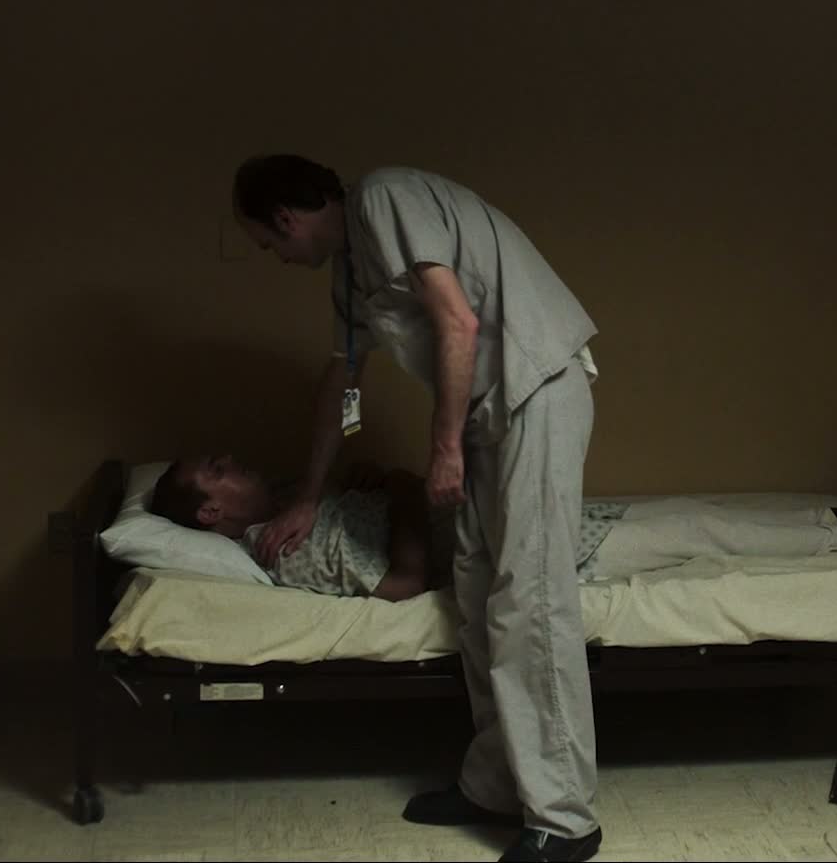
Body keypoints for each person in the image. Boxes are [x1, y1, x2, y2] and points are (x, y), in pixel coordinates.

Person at [227, 154, 606, 863]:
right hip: (487, 413)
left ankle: (566, 819)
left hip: (536, 389)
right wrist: (306, 496)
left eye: (268, 243)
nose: (275, 257)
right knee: (476, 590)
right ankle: (496, 784)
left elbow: (457, 320)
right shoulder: (349, 275)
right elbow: (342, 382)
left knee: (530, 596)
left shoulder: (384, 198)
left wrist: (444, 448)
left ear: (285, 218)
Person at [149, 453, 837, 600]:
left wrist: (379, 487)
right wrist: (402, 494)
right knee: (699, 531)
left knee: (687, 513)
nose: (236, 461)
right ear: (212, 514)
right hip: (517, 553)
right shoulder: (283, 549)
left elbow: (387, 481)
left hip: (506, 518)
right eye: (219, 468)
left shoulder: (296, 502)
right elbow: (402, 583)